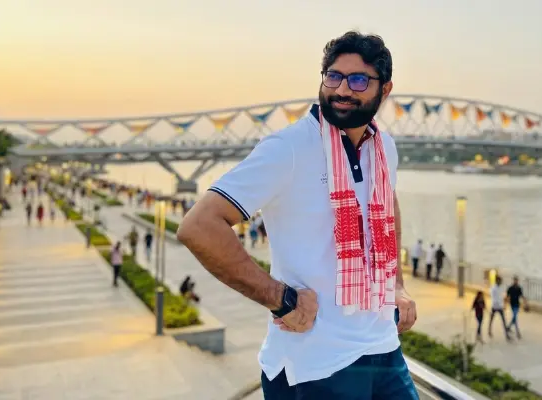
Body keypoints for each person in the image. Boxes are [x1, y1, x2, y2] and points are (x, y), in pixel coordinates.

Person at [177, 31, 419, 399]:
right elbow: (199, 226)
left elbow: (387, 202)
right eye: (333, 76)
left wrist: (397, 284)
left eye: (358, 80)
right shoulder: (288, 148)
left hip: (383, 347)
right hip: (314, 364)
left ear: (384, 90)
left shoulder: (383, 147)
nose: (342, 89)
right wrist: (279, 298)